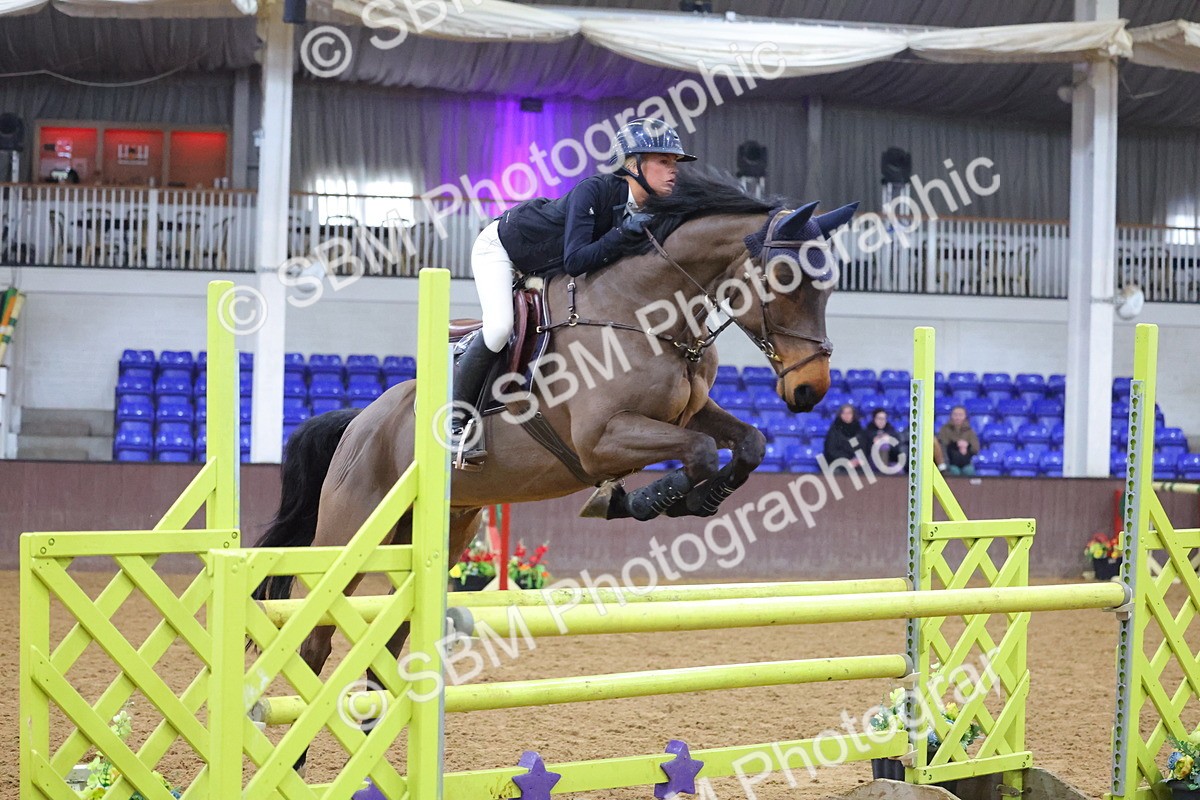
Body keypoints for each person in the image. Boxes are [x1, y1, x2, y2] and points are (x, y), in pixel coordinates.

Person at [451, 118, 696, 460]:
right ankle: (456, 419)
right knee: (499, 326)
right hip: (503, 248)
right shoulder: (593, 191)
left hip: (546, 267)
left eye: (674, 163)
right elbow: (577, 260)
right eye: (664, 161)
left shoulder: (650, 210)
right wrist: (625, 233)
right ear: (632, 164)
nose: (674, 171)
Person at [937, 405, 980, 475]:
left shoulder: (970, 431)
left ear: (965, 416)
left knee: (969, 471)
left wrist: (967, 446)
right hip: (950, 462)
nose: (957, 417)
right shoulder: (944, 429)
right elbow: (942, 446)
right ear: (951, 416)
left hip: (966, 462)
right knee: (954, 471)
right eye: (955, 415)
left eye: (960, 415)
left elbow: (976, 449)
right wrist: (956, 445)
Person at [824, 404, 864, 471]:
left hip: (856, 463)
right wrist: (847, 461)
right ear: (840, 415)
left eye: (849, 413)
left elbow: (861, 448)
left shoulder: (858, 430)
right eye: (844, 413)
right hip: (838, 463)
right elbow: (831, 451)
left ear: (853, 415)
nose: (846, 415)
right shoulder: (834, 430)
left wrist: (857, 460)